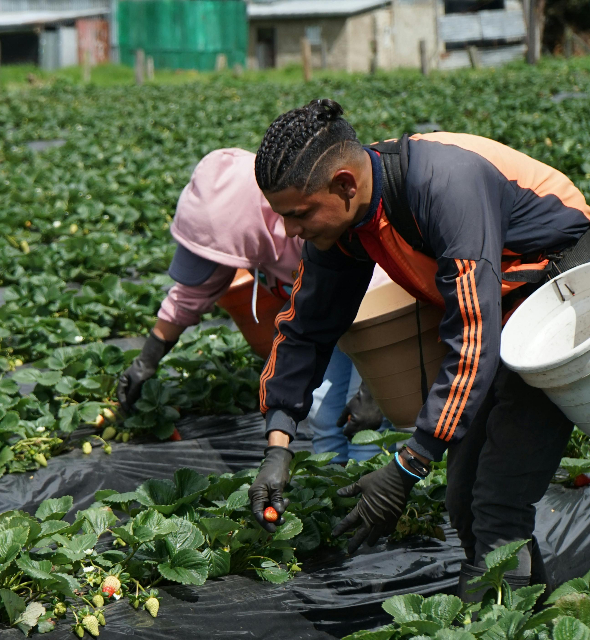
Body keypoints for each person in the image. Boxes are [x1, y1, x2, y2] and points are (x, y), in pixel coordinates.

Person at [247, 99, 590, 596]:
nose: (290, 230)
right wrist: (278, 445)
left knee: (499, 500)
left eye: (298, 214)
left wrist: (408, 465)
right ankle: (522, 614)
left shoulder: (443, 187)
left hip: (559, 302)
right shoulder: (347, 224)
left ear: (344, 184)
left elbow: (472, 339)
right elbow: (306, 328)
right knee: (463, 498)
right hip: (502, 310)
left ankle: (499, 631)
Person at [117, 147, 387, 463]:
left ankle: (372, 481)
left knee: (365, 423)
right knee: (323, 415)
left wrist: (375, 387)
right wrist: (147, 359)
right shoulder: (250, 236)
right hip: (330, 319)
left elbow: (382, 297)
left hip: (380, 322)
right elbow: (191, 294)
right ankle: (336, 483)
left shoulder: (313, 225)